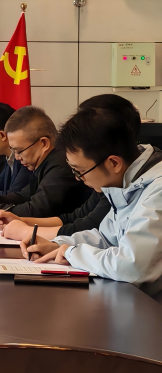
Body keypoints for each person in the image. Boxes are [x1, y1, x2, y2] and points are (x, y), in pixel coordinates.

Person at [21, 108, 162, 299]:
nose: (78, 178)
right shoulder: (127, 181)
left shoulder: (157, 190)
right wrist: (57, 245)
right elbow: (106, 238)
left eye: (80, 171)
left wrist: (71, 253)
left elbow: (131, 266)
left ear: (114, 163)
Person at [0, 94, 142, 240]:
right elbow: (76, 217)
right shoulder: (106, 179)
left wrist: (27, 231)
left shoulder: (70, 165)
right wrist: (22, 221)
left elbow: (88, 229)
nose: (77, 177)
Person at [0, 105, 90, 220]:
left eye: (20, 151)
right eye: (13, 151)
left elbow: (37, 210)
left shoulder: (61, 164)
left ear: (44, 143)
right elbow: (23, 196)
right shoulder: (43, 162)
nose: (16, 157)